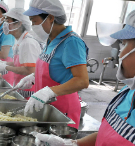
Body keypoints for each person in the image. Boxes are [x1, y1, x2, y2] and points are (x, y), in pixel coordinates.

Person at [34, 10, 135, 146]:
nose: (120, 53)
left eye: (125, 45)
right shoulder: (126, 94)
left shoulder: (71, 41)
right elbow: (109, 137)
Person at [17, 0, 89, 129]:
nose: (33, 25)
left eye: (34, 20)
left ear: (50, 17)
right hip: (48, 106)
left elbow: (82, 81)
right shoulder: (50, 40)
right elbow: (55, 69)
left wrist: (49, 92)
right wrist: (33, 77)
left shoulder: (71, 42)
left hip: (62, 110)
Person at [0, 8, 41, 99]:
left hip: (29, 92)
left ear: (18, 23)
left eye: (8, 20)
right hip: (20, 88)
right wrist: (4, 63)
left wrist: (6, 67)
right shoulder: (19, 41)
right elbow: (19, 63)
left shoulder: (28, 43)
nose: (5, 23)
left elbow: (30, 70)